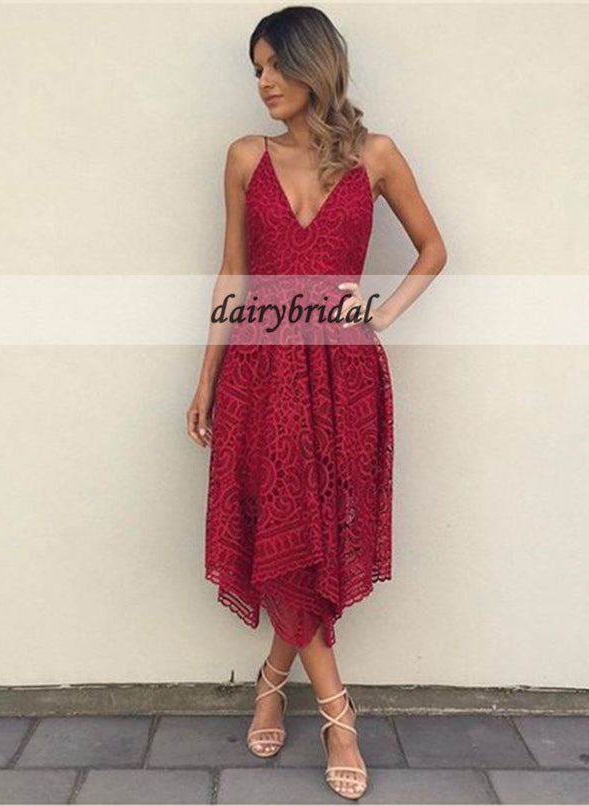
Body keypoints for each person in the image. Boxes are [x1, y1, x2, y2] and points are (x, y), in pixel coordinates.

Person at [186, 5, 447, 799]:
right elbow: (233, 274)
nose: (263, 82)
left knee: (317, 536)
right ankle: (339, 716)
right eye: (256, 69)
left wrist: (379, 312)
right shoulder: (244, 157)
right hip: (261, 372)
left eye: (275, 65)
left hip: (342, 376)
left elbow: (434, 249)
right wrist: (205, 379)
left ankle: (272, 680)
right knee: (284, 525)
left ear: (314, 64)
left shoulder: (377, 155)